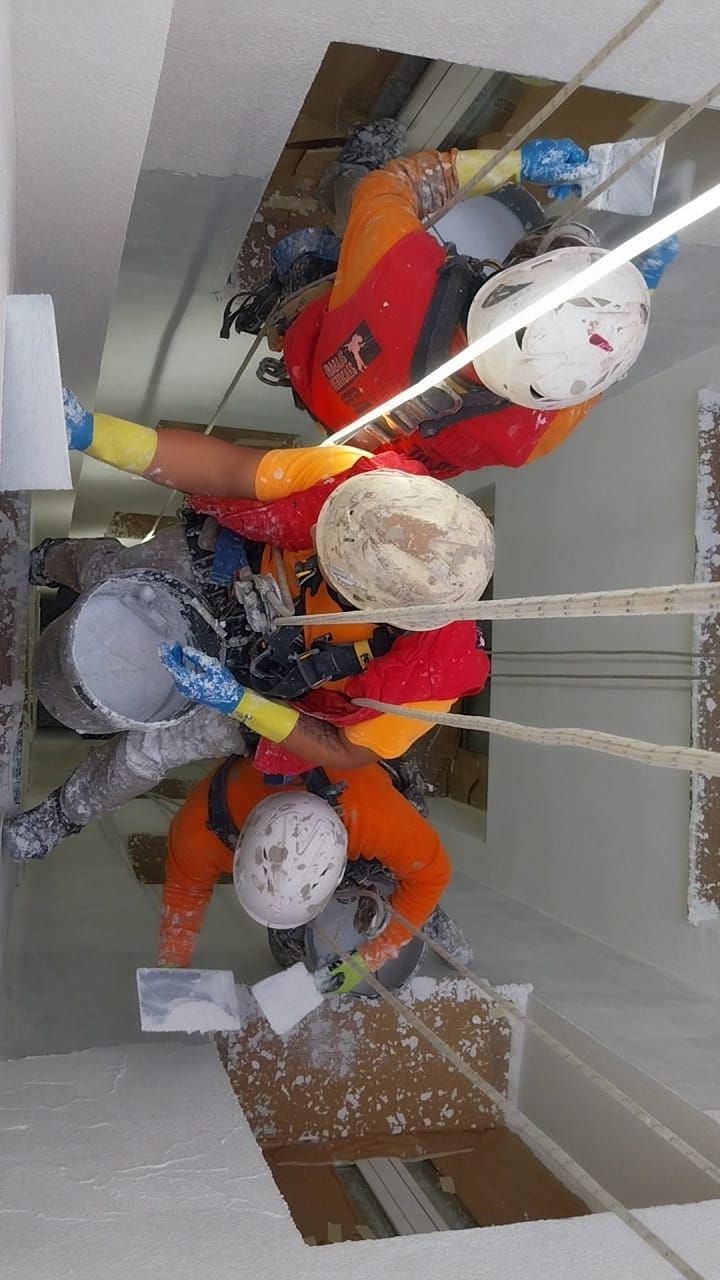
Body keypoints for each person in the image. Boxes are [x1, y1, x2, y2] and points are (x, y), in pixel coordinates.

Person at [4, 398, 493, 861]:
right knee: (110, 574)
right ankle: (45, 561)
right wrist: (91, 432)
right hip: (231, 566)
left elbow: (342, 751)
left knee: (148, 753)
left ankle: (63, 816)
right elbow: (226, 469)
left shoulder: (422, 689)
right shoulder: (360, 487)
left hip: (264, 691)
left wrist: (238, 703)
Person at [246, 127, 679, 479]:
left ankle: (343, 173)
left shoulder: (403, 270)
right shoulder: (537, 430)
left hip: (314, 354)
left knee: (355, 214)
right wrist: (641, 292)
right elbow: (598, 365)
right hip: (343, 429)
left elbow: (387, 187)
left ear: (505, 278)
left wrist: (515, 165)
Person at [158, 755, 463, 993]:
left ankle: (426, 914)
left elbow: (432, 875)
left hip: (373, 786)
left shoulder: (372, 816)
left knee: (412, 875)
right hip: (298, 807)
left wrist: (372, 956)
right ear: (238, 859)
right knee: (288, 950)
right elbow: (185, 894)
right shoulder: (199, 833)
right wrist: (173, 965)